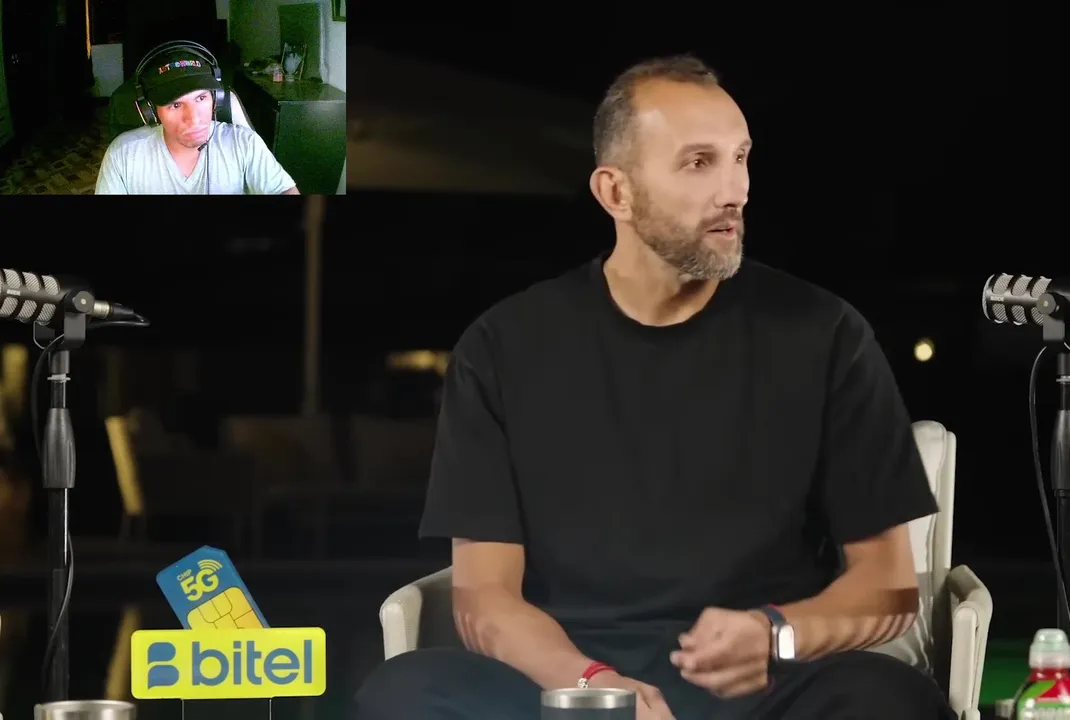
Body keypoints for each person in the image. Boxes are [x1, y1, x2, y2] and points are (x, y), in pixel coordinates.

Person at [354, 55, 955, 720]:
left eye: (740, 158)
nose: (734, 190)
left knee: (891, 700)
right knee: (403, 693)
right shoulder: (502, 348)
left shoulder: (827, 334)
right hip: (568, 684)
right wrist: (593, 688)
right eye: (699, 163)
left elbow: (888, 586)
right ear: (616, 192)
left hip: (765, 690)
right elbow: (484, 599)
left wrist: (776, 633)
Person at [95, 43, 298, 195]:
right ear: (151, 111)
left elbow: (283, 190)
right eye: (175, 105)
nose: (193, 119)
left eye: (201, 98)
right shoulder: (122, 156)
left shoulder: (245, 144)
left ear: (216, 99)